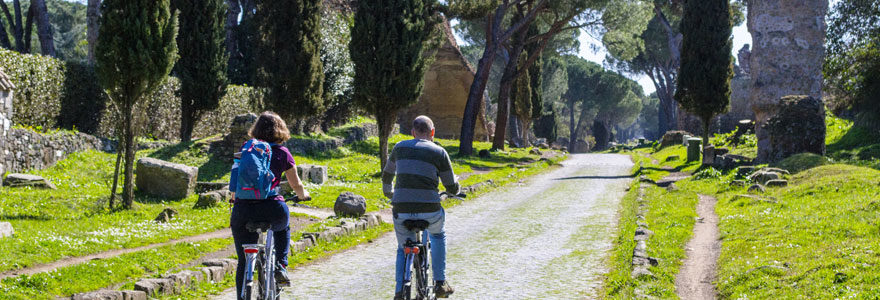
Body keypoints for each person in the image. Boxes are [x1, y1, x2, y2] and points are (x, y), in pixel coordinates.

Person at [229, 112, 310, 299]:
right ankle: (281, 265)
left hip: (243, 210)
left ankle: (243, 294)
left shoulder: (246, 151)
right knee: (284, 225)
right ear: (280, 130)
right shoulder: (283, 153)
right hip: (272, 207)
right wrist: (303, 195)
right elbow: (295, 184)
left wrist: (235, 199)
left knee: (243, 260)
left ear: (256, 130)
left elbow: (234, 184)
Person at [383, 115, 459, 299]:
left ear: (413, 133)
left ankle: (399, 291)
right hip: (430, 210)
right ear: (432, 133)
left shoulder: (399, 148)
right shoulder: (439, 152)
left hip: (401, 209)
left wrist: (390, 193)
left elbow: (387, 176)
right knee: (438, 234)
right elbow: (451, 187)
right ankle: (440, 283)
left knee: (403, 248)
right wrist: (456, 188)